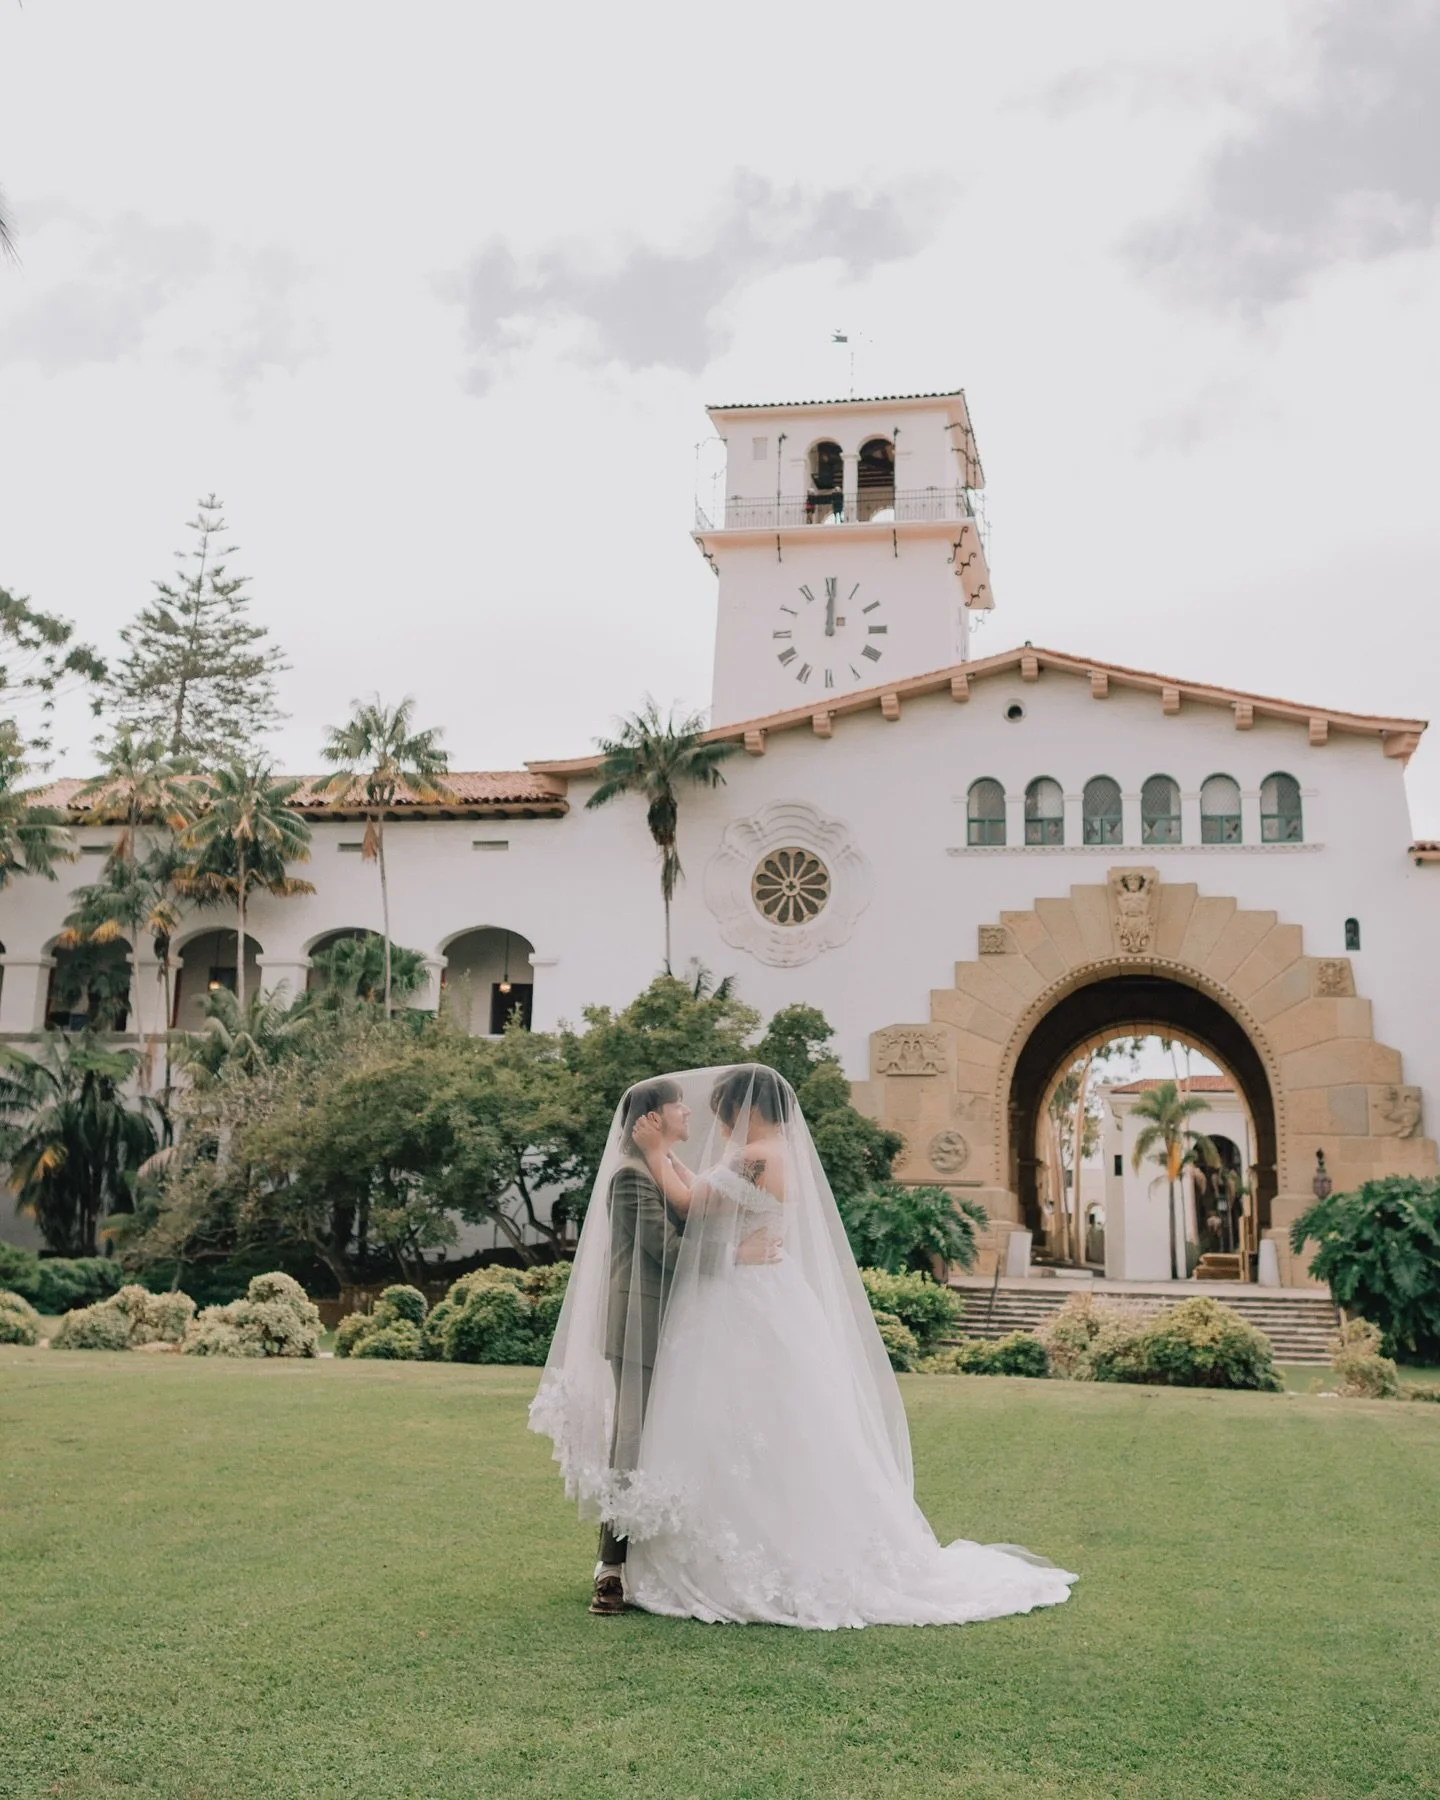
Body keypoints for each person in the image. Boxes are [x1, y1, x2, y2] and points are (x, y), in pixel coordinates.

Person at [531, 1064, 1077, 1629]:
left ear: (743, 1111)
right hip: (748, 1295)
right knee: (734, 1423)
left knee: (739, 1420)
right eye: (687, 1108)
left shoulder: (754, 1157)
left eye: (717, 1108)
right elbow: (691, 1212)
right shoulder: (749, 1156)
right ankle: (632, 1561)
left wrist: (657, 1156)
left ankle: (698, 1558)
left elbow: (692, 1206)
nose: (704, 1117)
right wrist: (660, 1160)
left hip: (741, 1299)